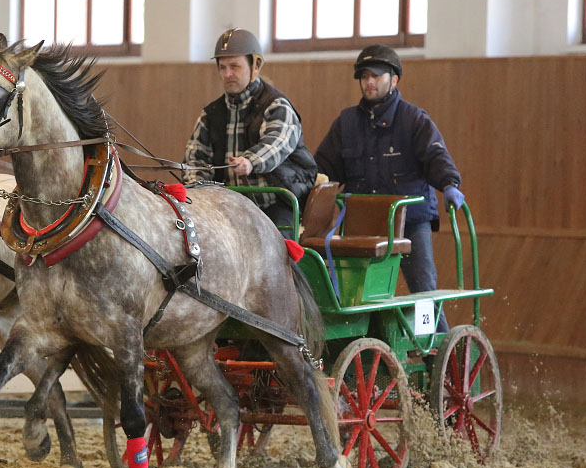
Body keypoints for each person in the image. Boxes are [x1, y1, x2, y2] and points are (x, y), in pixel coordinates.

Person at [314, 44, 464, 329]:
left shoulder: (414, 120)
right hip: (362, 223)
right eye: (364, 76)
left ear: (394, 80)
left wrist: (450, 184)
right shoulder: (346, 124)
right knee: (358, 296)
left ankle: (435, 351)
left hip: (410, 221)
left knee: (423, 290)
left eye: (377, 76)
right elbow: (322, 168)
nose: (369, 82)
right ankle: (373, 354)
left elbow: (436, 156)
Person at [184, 28, 317, 239]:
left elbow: (275, 145)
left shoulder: (277, 106)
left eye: (235, 66)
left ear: (255, 66)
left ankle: (295, 272)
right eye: (222, 67)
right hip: (227, 208)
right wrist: (196, 191)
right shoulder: (210, 114)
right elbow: (195, 158)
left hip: (275, 203)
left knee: (280, 250)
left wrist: (250, 162)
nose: (227, 74)